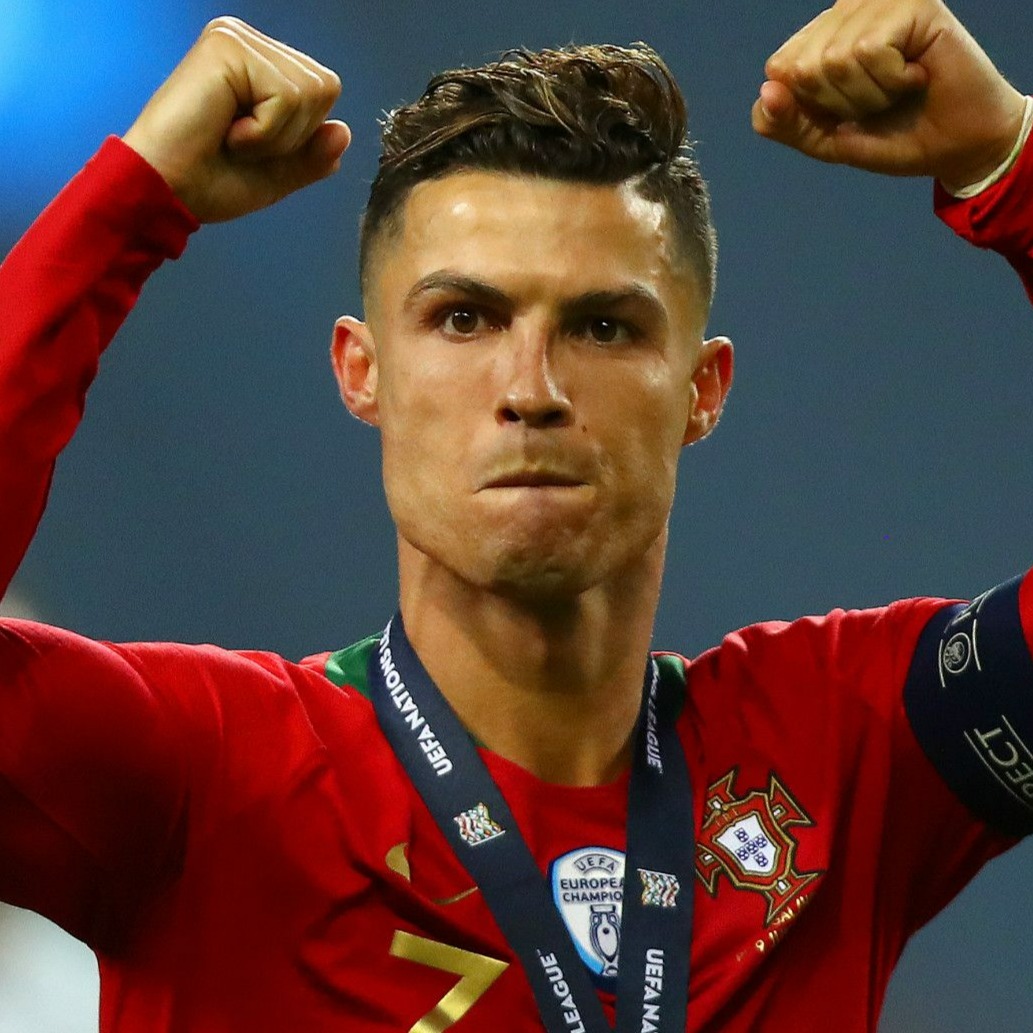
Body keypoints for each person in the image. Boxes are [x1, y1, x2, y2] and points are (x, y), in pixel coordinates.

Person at [1, 0, 1031, 1029]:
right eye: (464, 318)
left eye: (602, 327)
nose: (531, 388)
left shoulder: (840, 753)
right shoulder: (201, 776)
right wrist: (129, 203)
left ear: (701, 390)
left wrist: (1008, 157)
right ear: (362, 372)